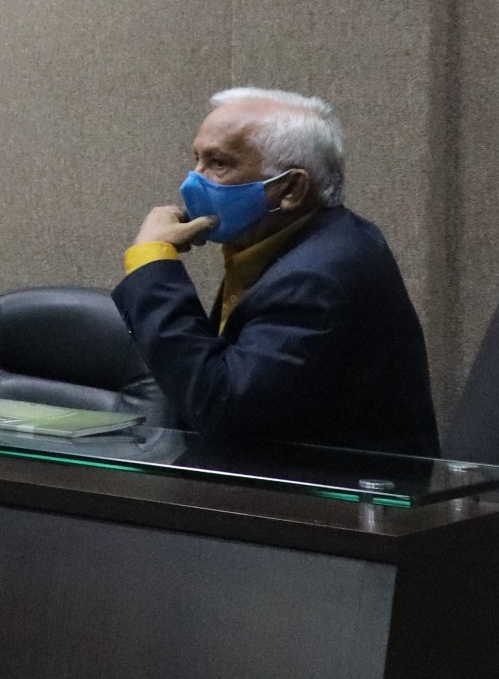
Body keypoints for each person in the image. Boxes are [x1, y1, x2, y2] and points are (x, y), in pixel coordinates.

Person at [114, 88, 438, 455]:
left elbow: (221, 408)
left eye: (218, 163)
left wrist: (153, 264)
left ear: (291, 189)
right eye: (196, 159)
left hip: (331, 504)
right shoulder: (307, 239)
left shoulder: (318, 279)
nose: (192, 181)